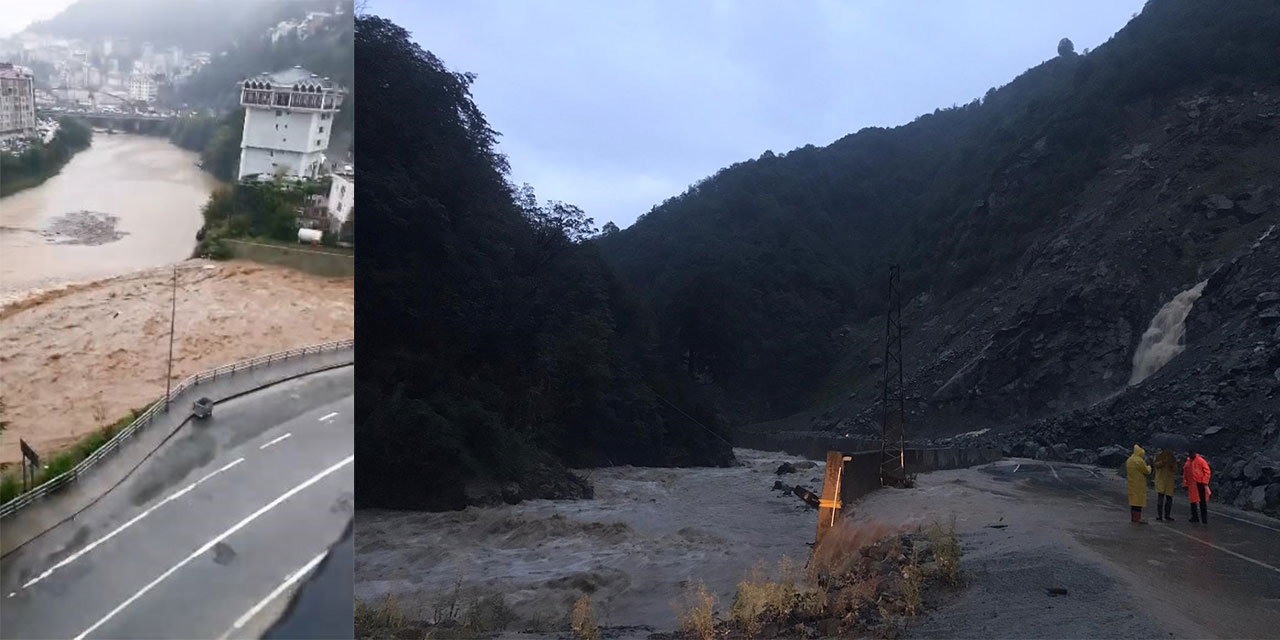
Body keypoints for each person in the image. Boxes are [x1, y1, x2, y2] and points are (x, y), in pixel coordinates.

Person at [1125, 444, 1152, 524]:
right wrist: (1149, 466)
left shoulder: (1129, 459)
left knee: (1133, 502)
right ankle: (1138, 518)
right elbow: (1146, 471)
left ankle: (1133, 518)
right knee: (1138, 502)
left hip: (1131, 483)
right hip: (1139, 484)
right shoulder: (1139, 461)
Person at [1184, 450, 1212, 524]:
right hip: (1192, 484)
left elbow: (1207, 471)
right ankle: (1195, 517)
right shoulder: (1188, 463)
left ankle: (1204, 519)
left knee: (1202, 502)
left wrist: (1204, 481)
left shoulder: (1200, 461)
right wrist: (1186, 483)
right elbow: (1185, 474)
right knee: (1193, 501)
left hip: (1200, 483)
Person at [1153, 448, 1176, 521]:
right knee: (1161, 497)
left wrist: (1171, 465)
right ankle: (1160, 515)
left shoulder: (1172, 457)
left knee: (1169, 498)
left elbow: (1175, 468)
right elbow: (1156, 464)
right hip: (1161, 479)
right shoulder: (1158, 455)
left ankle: (1167, 515)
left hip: (1169, 480)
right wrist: (1163, 462)